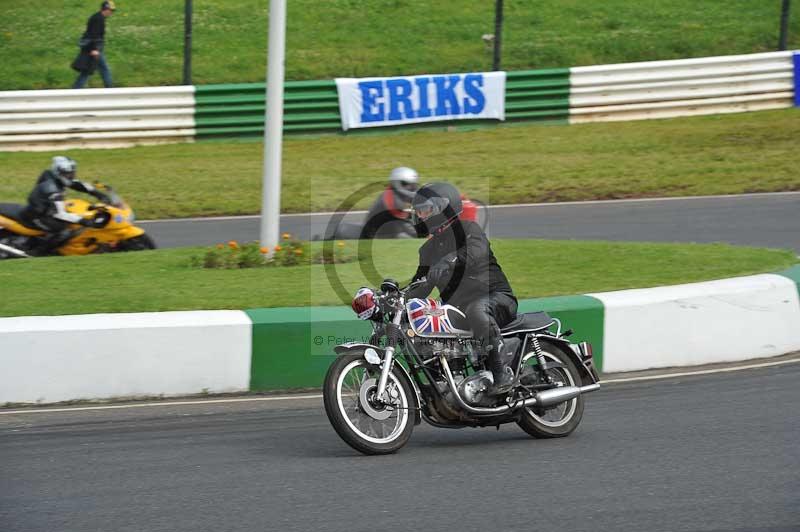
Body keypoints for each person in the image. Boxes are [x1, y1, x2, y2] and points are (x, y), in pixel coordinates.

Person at [407, 182, 518, 394]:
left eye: (425, 210)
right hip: (457, 310)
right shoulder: (428, 250)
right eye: (418, 211)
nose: (421, 216)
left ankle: (501, 373)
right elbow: (420, 285)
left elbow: (476, 252)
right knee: (420, 322)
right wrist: (395, 296)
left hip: (496, 298)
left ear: (443, 208)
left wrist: (448, 261)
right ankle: (442, 382)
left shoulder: (469, 229)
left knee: (477, 310)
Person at [21, 156, 110, 254]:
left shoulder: (54, 176)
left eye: (72, 173)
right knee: (65, 231)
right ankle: (38, 252)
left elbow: (77, 184)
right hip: (37, 215)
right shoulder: (52, 189)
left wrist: (98, 193)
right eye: (67, 174)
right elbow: (61, 214)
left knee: (73, 215)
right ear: (58, 172)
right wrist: (83, 221)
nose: (70, 176)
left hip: (45, 208)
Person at [359, 167, 420, 239]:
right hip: (378, 236)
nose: (412, 187)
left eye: (413, 185)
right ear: (397, 183)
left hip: (391, 229)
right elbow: (407, 226)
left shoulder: (396, 194)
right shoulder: (393, 201)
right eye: (406, 184)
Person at [72, 1, 116, 89]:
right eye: (111, 10)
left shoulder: (99, 17)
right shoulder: (98, 19)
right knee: (104, 69)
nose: (111, 13)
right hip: (94, 48)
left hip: (92, 47)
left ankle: (75, 89)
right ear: (105, 9)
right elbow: (94, 34)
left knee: (87, 70)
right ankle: (111, 90)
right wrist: (95, 49)